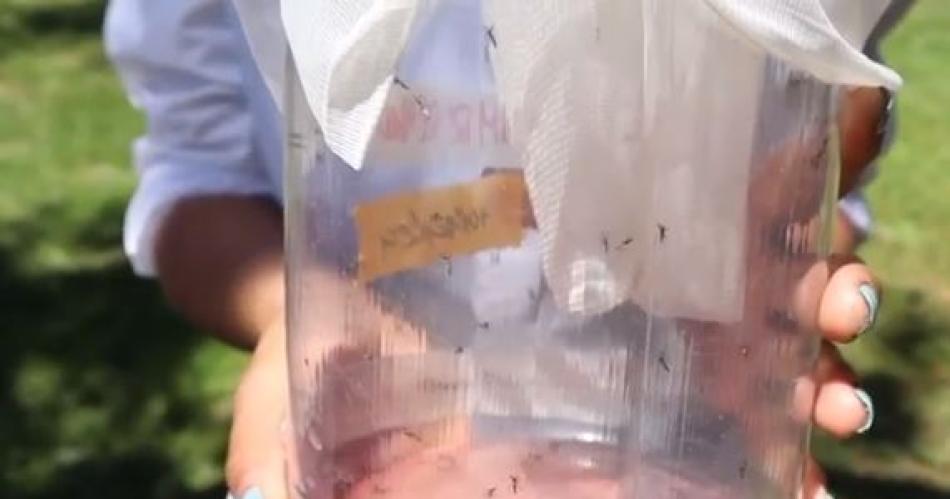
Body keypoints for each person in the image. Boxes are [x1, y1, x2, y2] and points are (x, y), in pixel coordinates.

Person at [105, 1, 907, 497]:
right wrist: (302, 313)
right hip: (383, 429)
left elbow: (830, 107)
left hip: (684, 427)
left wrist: (777, 251)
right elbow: (195, 173)